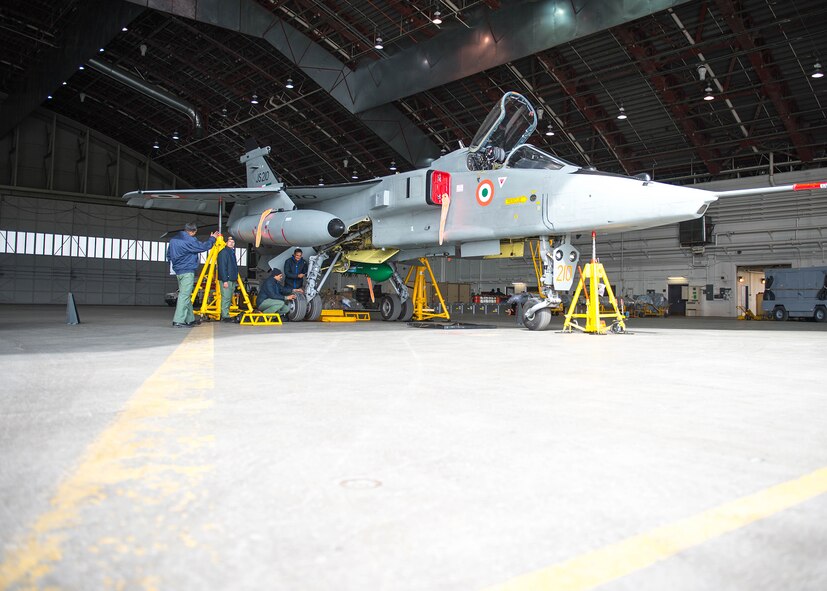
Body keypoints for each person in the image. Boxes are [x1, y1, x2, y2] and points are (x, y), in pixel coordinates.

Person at [167, 222, 219, 327]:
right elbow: (203, 247)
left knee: (185, 294)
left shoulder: (173, 240)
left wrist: (176, 266)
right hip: (187, 271)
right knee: (184, 296)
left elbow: (169, 255)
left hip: (178, 271)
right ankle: (178, 321)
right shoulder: (190, 240)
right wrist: (212, 238)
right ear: (193, 231)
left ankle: (190, 319)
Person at [217, 235, 240, 322]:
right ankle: (225, 316)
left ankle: (226, 313)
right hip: (227, 279)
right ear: (226, 243)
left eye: (233, 242)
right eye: (230, 242)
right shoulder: (224, 253)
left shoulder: (231, 252)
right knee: (226, 297)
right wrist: (225, 280)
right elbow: (222, 267)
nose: (232, 243)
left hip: (232, 279)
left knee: (229, 297)